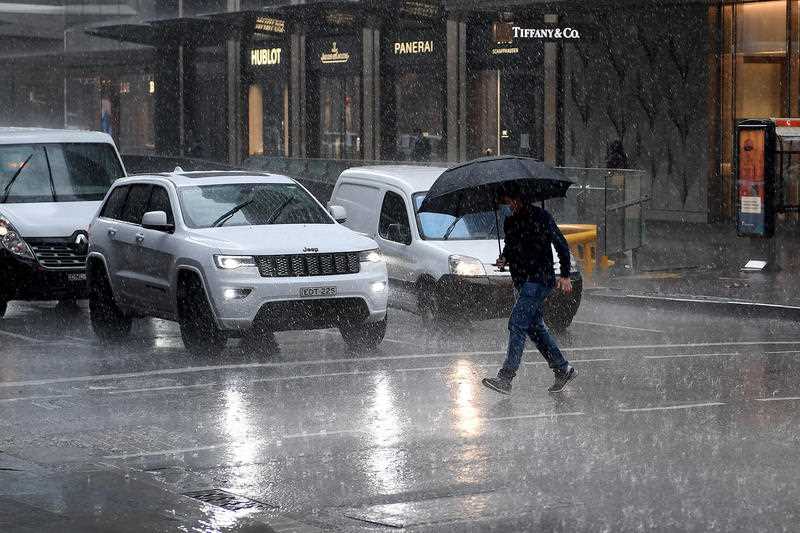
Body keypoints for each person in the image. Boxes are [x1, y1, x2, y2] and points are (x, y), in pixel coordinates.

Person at [482, 190, 576, 395]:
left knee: (517, 323)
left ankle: (505, 378)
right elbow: (511, 246)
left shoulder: (542, 217)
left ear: (519, 199)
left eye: (509, 201)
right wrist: (504, 258)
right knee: (535, 329)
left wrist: (566, 274)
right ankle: (562, 368)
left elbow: (561, 245)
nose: (508, 206)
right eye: (505, 203)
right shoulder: (511, 222)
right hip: (522, 282)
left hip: (539, 279)